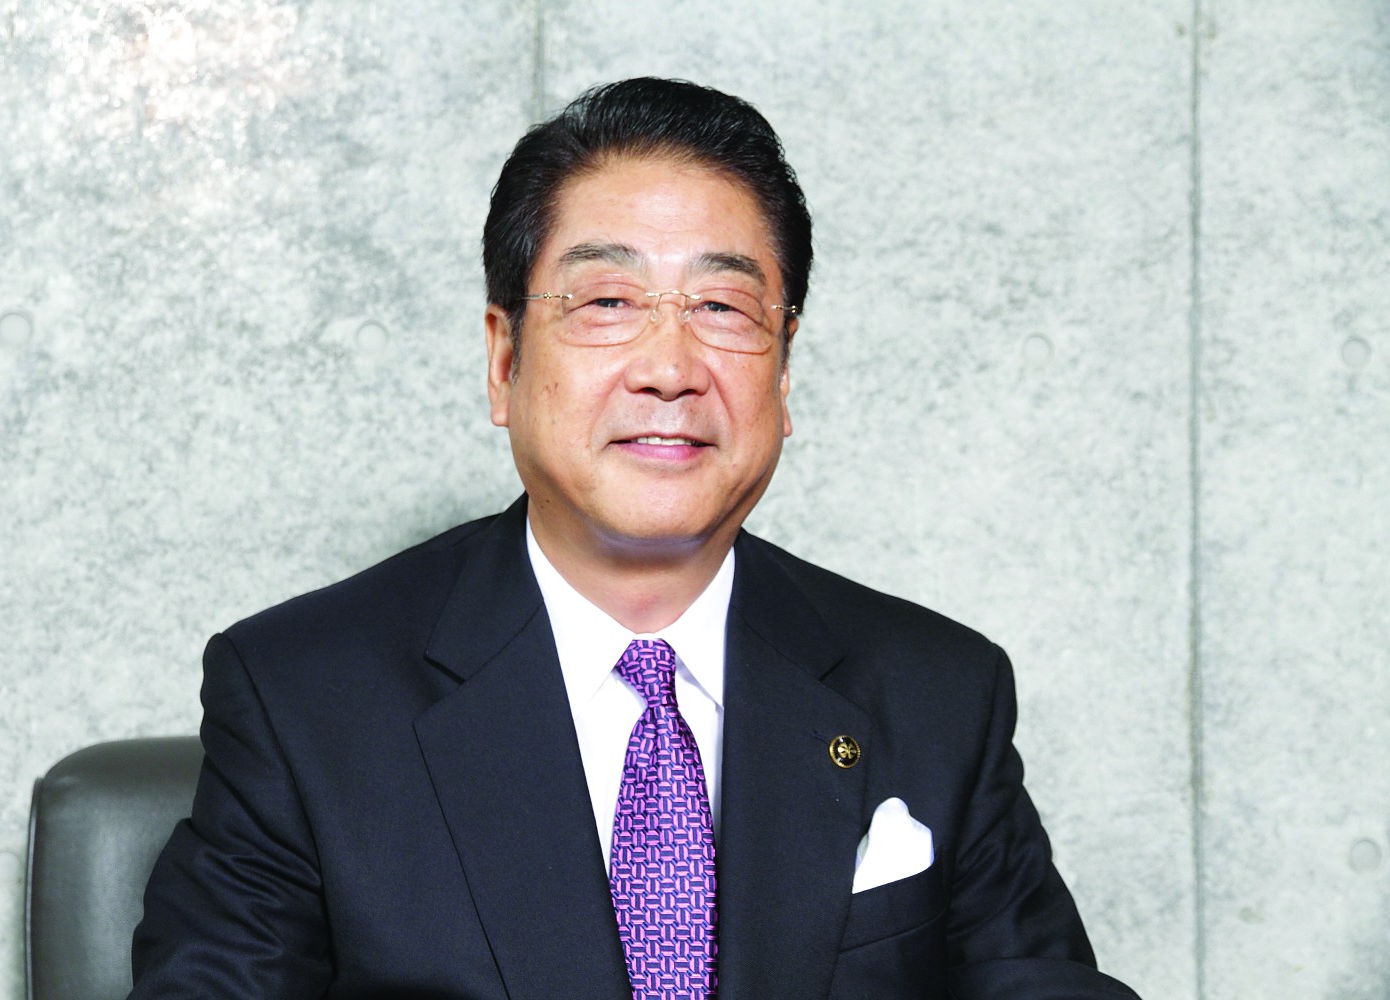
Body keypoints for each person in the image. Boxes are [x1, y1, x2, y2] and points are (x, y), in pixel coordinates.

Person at [130, 77, 1140, 1000]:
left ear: (784, 374)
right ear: (504, 360)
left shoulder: (936, 694)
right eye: (607, 302)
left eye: (723, 307)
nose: (670, 367)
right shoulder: (305, 699)